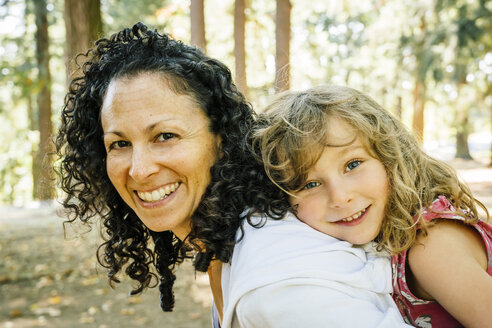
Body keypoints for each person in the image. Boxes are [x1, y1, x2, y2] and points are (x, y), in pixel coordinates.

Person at [55, 23, 409, 328]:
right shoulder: (228, 246)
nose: (140, 168)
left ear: (221, 137)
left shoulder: (276, 280)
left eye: (165, 136)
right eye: (119, 144)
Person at [252, 84, 492, 328]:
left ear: (389, 157)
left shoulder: (431, 246)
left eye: (353, 164)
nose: (340, 197)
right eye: (310, 184)